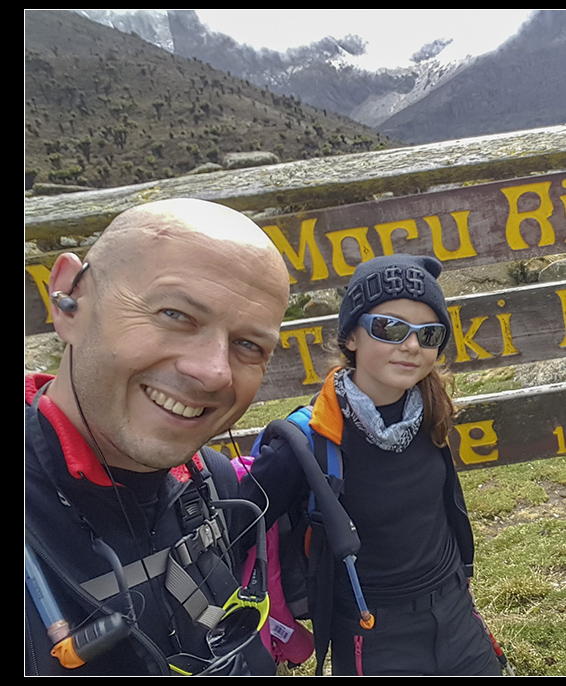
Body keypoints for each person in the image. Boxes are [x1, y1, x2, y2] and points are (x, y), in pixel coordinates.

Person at [25, 198, 290, 675]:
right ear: (69, 297)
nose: (213, 372)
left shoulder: (213, 483)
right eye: (175, 314)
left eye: (248, 345)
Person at [242, 254, 501, 676]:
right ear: (351, 337)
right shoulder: (307, 441)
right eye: (390, 328)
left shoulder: (429, 410)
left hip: (456, 616)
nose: (412, 345)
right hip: (372, 637)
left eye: (429, 334)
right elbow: (238, 527)